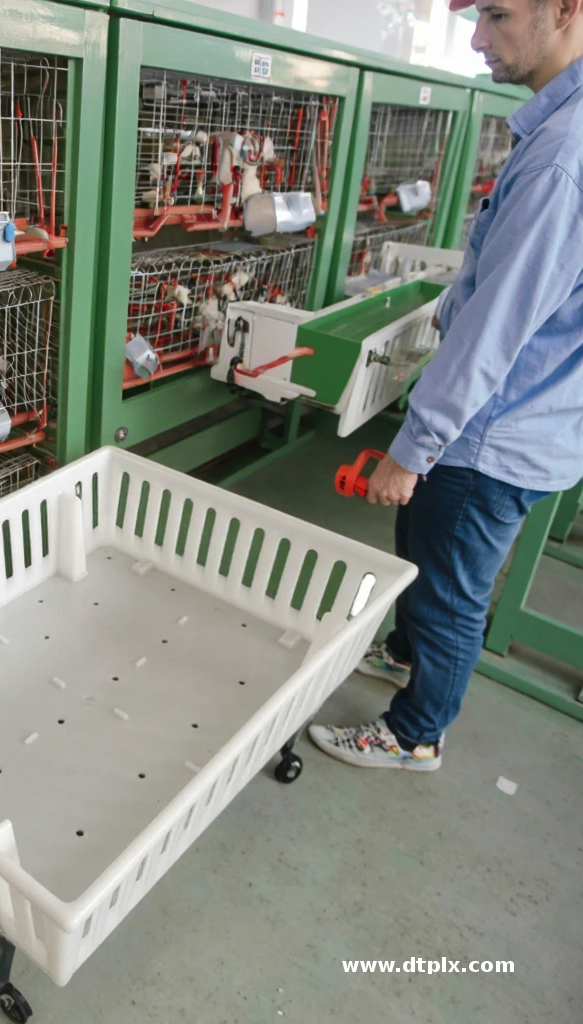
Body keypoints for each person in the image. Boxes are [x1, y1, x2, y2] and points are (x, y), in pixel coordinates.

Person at [309, 0, 583, 771]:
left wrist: (414, 447)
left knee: (451, 592)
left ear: (564, 9)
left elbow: (497, 328)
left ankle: (416, 732)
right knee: (430, 558)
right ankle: (405, 652)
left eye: (496, 15)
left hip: (493, 435)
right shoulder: (560, 132)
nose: (475, 38)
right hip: (530, 418)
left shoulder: (564, 158)